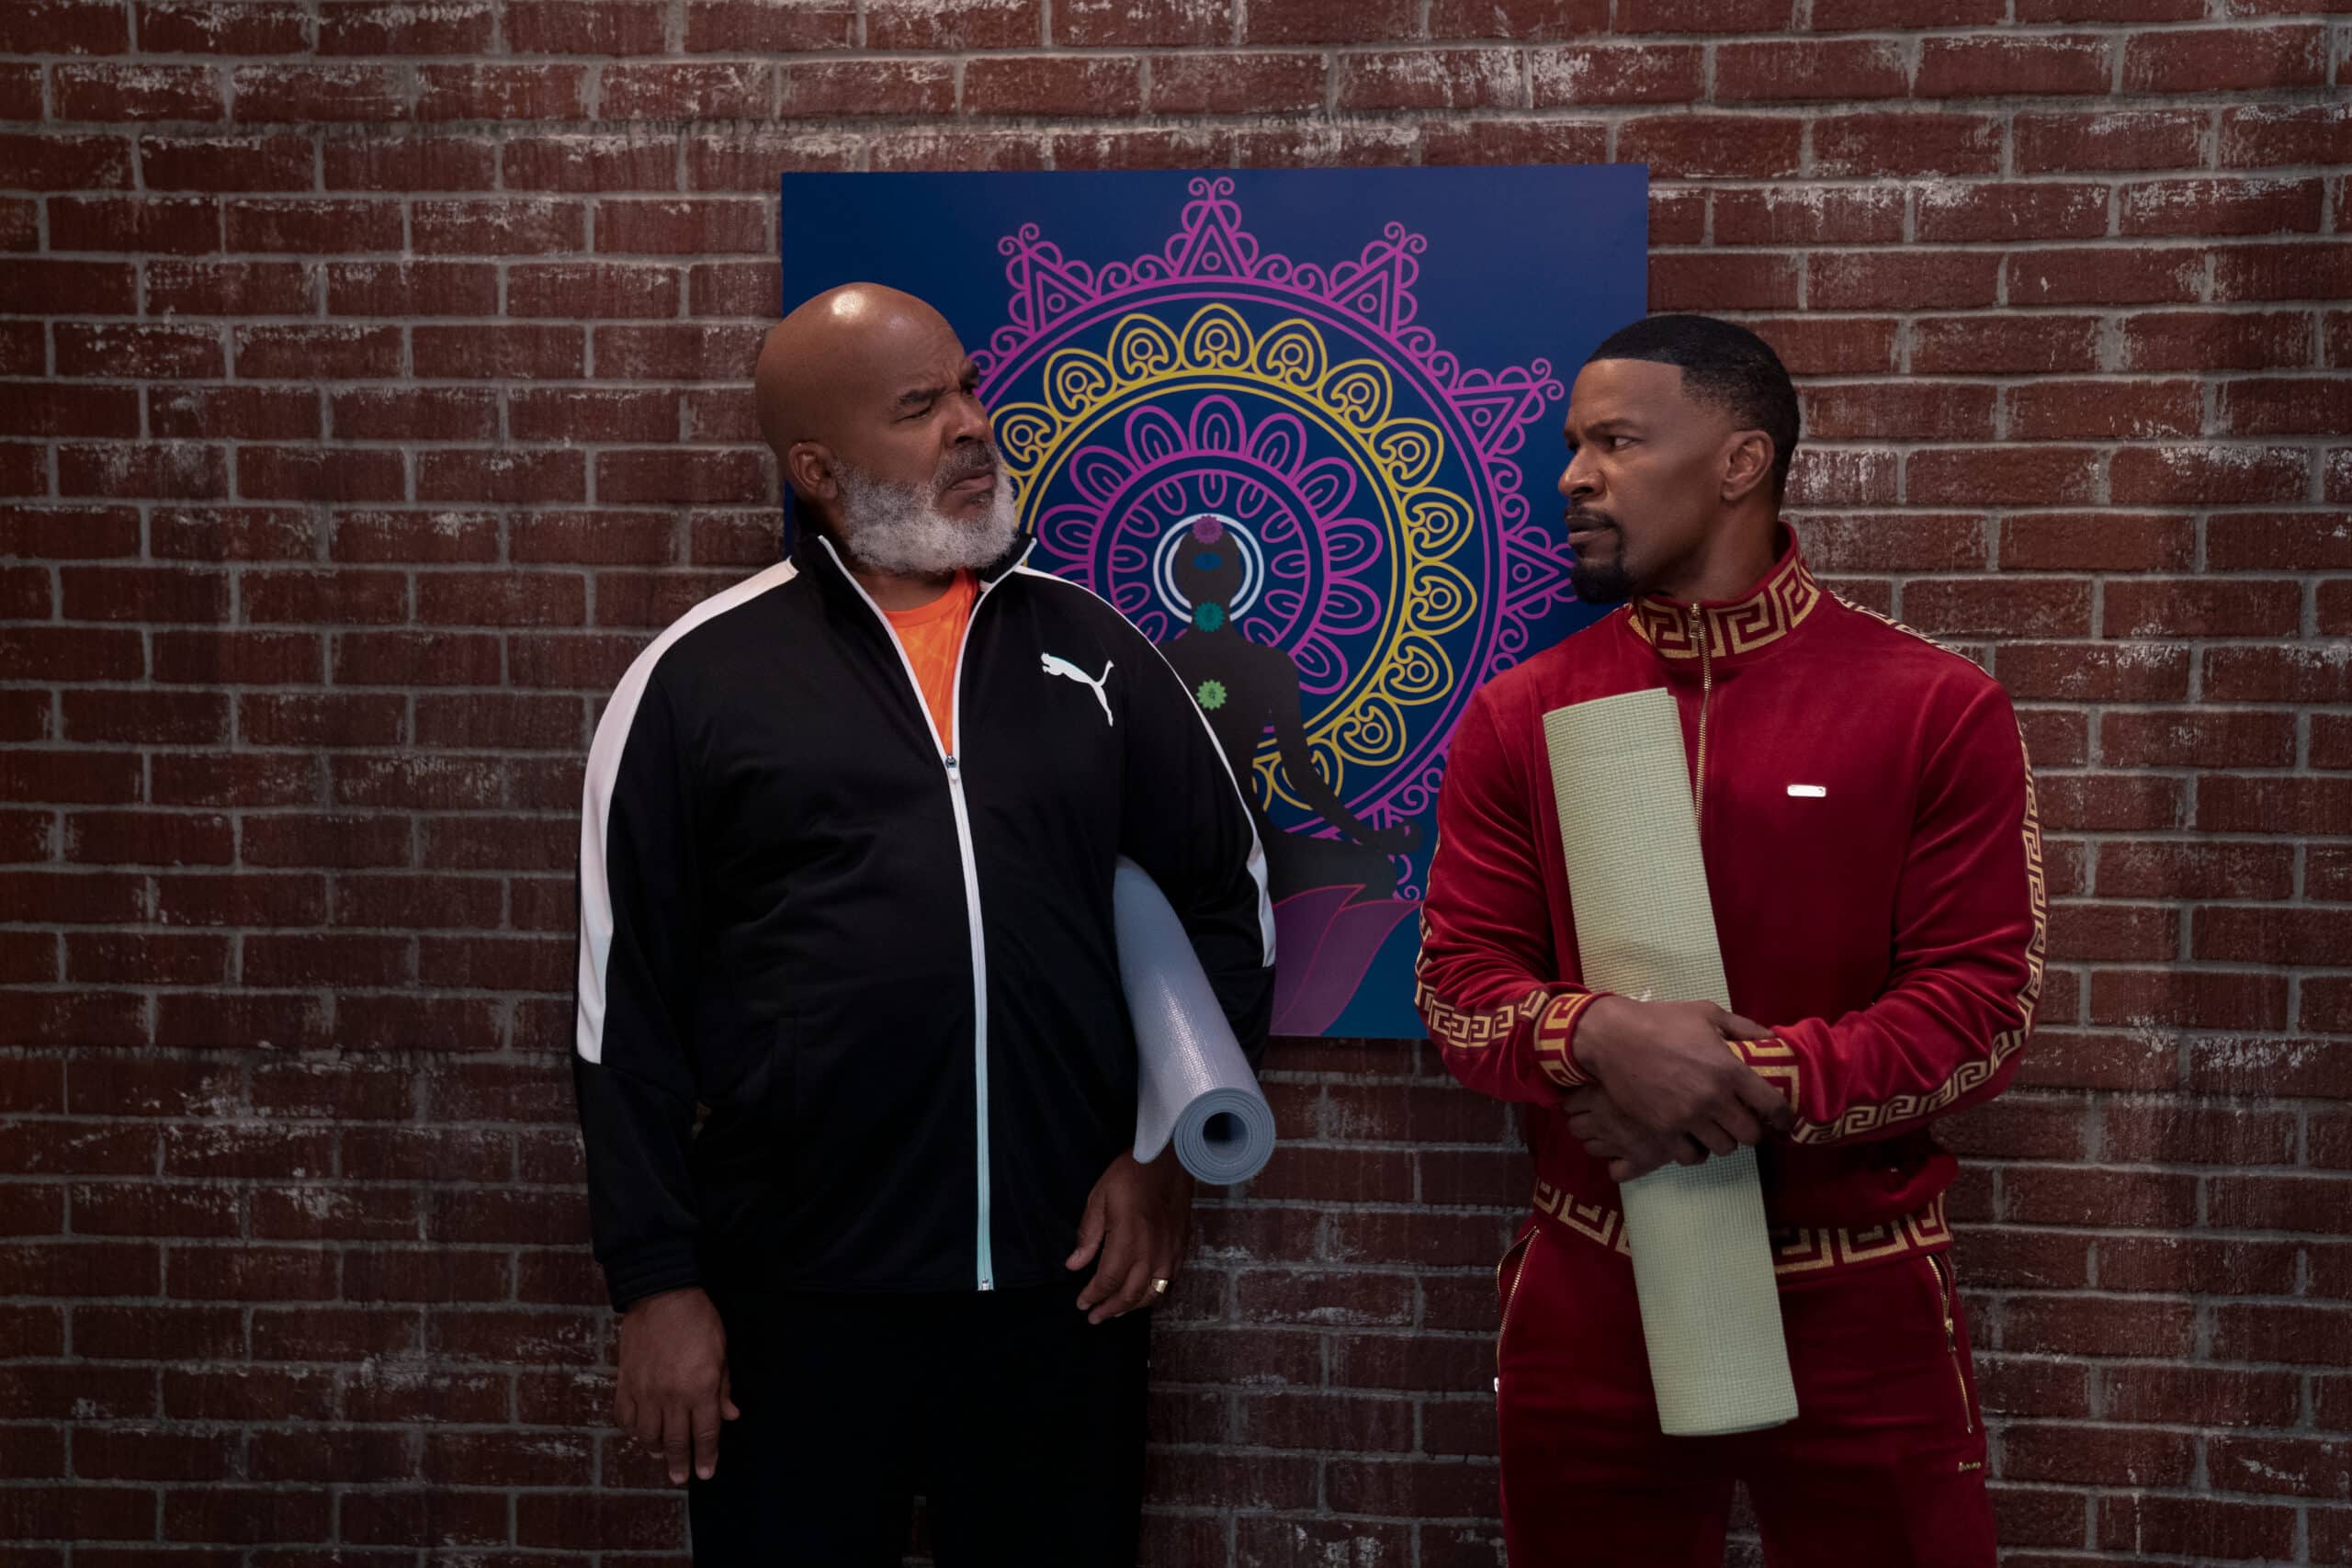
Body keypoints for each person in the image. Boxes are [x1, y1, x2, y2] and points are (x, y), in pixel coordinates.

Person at [569, 283, 1274, 1565]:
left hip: (1063, 1286)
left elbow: (1229, 902)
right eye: (919, 407)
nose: (969, 425)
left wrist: (1161, 1158)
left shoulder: (1095, 651)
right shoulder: (695, 680)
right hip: (796, 1300)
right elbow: (627, 1019)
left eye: (966, 388)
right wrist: (657, 1285)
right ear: (816, 469)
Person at [1416, 313, 2042, 1564]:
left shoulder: (1932, 707)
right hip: (1594, 1284)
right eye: (1573, 445)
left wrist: (1729, 1081)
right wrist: (1600, 1035)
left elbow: (1979, 1005)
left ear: (1741, 462)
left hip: (1857, 1288)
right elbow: (1459, 983)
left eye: (1616, 442)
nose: (1574, 476)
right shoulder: (1522, 711)